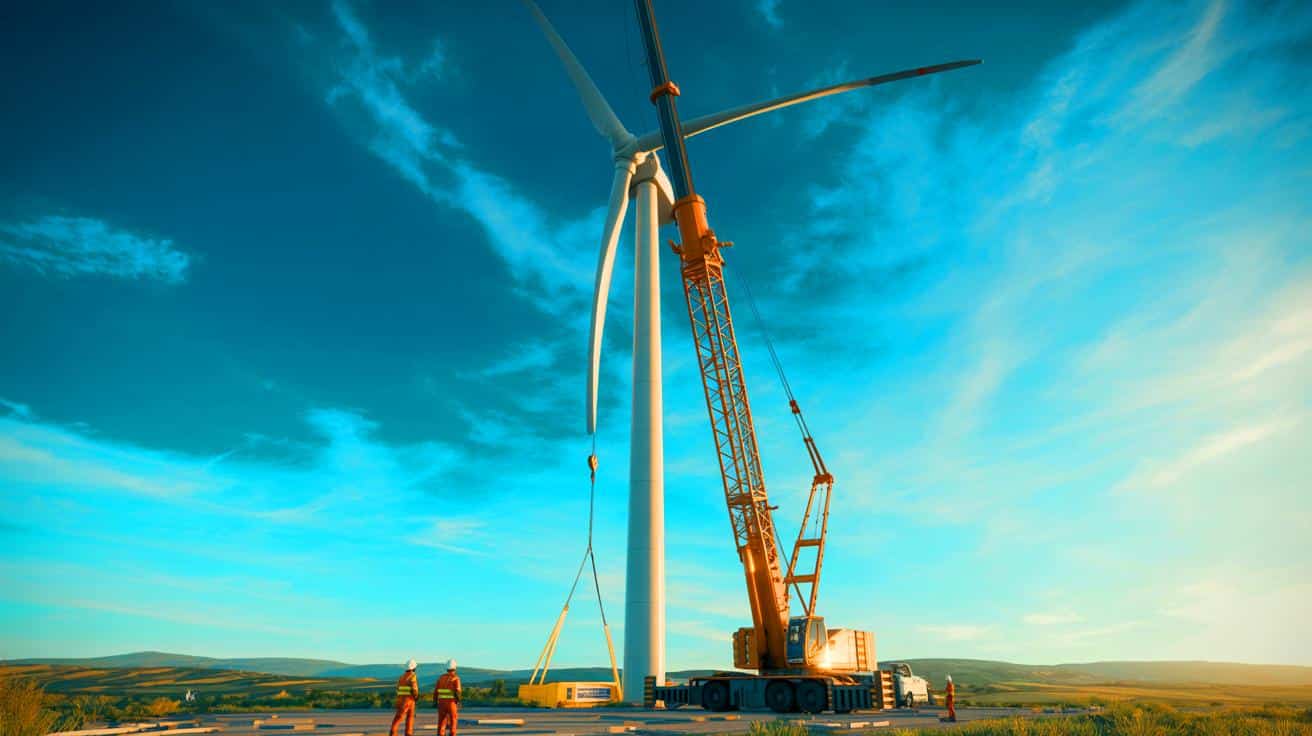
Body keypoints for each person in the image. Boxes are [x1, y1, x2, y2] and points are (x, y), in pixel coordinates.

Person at [390, 659, 420, 736]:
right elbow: (414, 688)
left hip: (401, 700)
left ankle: (406, 733)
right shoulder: (412, 676)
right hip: (408, 700)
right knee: (402, 718)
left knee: (407, 717)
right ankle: (393, 733)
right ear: (414, 667)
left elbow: (397, 688)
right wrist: (416, 696)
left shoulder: (402, 677)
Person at [434, 659, 462, 736]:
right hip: (451, 703)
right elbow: (457, 692)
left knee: (441, 722)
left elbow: (436, 691)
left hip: (441, 704)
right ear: (455, 668)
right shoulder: (456, 678)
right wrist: (459, 701)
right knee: (453, 721)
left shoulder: (441, 678)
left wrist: (435, 701)